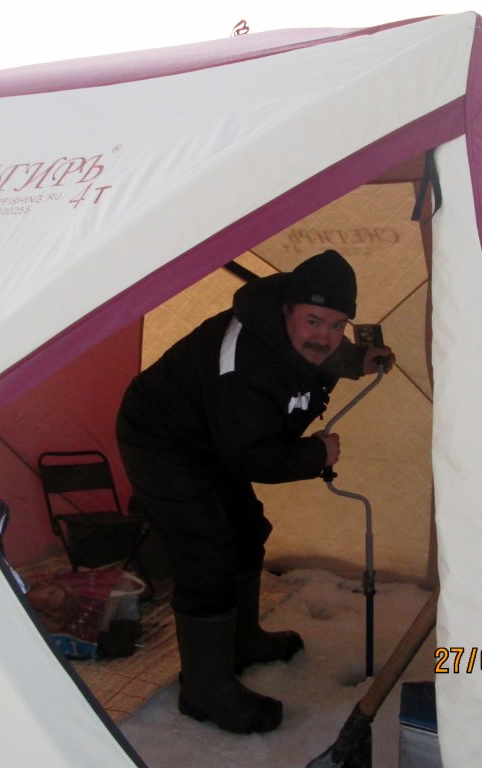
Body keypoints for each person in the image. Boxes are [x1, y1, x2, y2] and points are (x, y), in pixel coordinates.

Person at [115, 249, 394, 734]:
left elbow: (310, 353)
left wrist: (355, 358)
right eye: (313, 321)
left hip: (214, 437)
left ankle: (241, 643)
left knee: (246, 528)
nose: (324, 335)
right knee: (206, 549)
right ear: (287, 309)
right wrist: (316, 453)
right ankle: (203, 690)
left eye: (337, 325)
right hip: (161, 439)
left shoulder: (293, 333)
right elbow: (251, 456)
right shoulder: (242, 360)